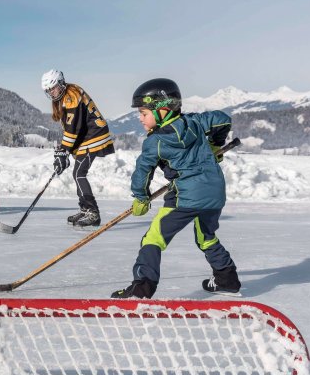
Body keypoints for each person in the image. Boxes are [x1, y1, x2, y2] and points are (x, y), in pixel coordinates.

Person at [111, 78, 241, 299]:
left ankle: (142, 287)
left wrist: (141, 198)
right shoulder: (197, 122)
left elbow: (142, 172)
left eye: (143, 113)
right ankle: (226, 278)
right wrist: (215, 144)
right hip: (215, 193)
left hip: (185, 198)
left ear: (162, 110)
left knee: (153, 238)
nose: (140, 119)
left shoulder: (156, 142)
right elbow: (222, 120)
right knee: (206, 236)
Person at [41, 69, 114, 227]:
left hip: (94, 136)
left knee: (79, 173)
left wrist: (63, 151)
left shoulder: (72, 95)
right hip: (87, 137)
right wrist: (63, 151)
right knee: (78, 173)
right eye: (48, 91)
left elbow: (73, 129)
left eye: (53, 88)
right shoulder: (66, 96)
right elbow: (71, 128)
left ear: (61, 83)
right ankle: (85, 209)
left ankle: (92, 212)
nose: (52, 93)